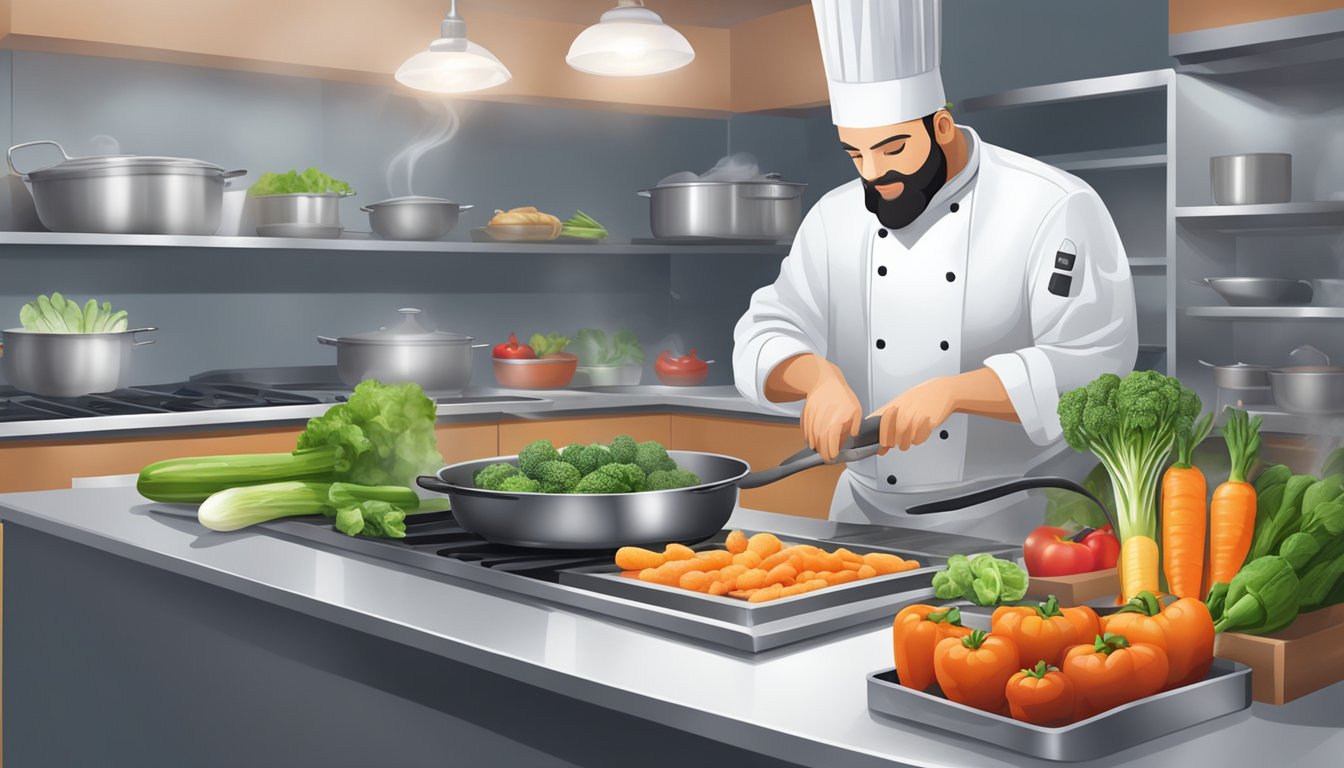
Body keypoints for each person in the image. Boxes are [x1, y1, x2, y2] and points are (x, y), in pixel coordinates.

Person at [732, 0, 1138, 534]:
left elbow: (1097, 364)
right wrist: (817, 378)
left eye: (892, 147)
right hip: (861, 517)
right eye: (855, 154)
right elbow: (764, 331)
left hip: (1013, 519)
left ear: (941, 125)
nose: (875, 174)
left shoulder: (1052, 205)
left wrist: (952, 392)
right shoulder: (833, 217)